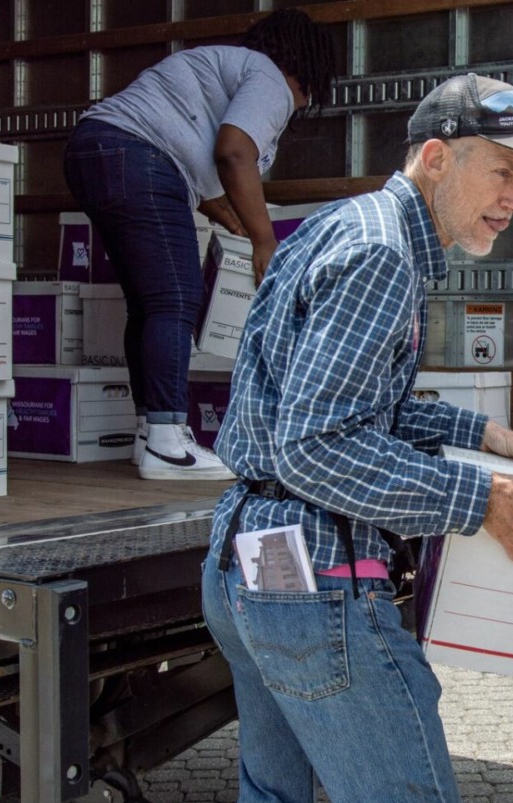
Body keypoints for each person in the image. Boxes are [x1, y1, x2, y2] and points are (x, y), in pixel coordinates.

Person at [199, 73, 513, 803]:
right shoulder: (383, 256)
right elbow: (314, 446)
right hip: (316, 585)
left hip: (248, 562)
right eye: (504, 173)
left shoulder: (345, 226)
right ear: (437, 158)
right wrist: (480, 500)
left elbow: (335, 401)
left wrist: (471, 431)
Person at [63, 9, 335, 480]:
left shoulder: (227, 67)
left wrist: (230, 218)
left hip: (95, 150)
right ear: (307, 70)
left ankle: (150, 433)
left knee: (148, 304)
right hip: (137, 155)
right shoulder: (269, 79)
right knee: (175, 297)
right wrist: (265, 242)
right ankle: (168, 444)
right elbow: (233, 151)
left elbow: (199, 166)